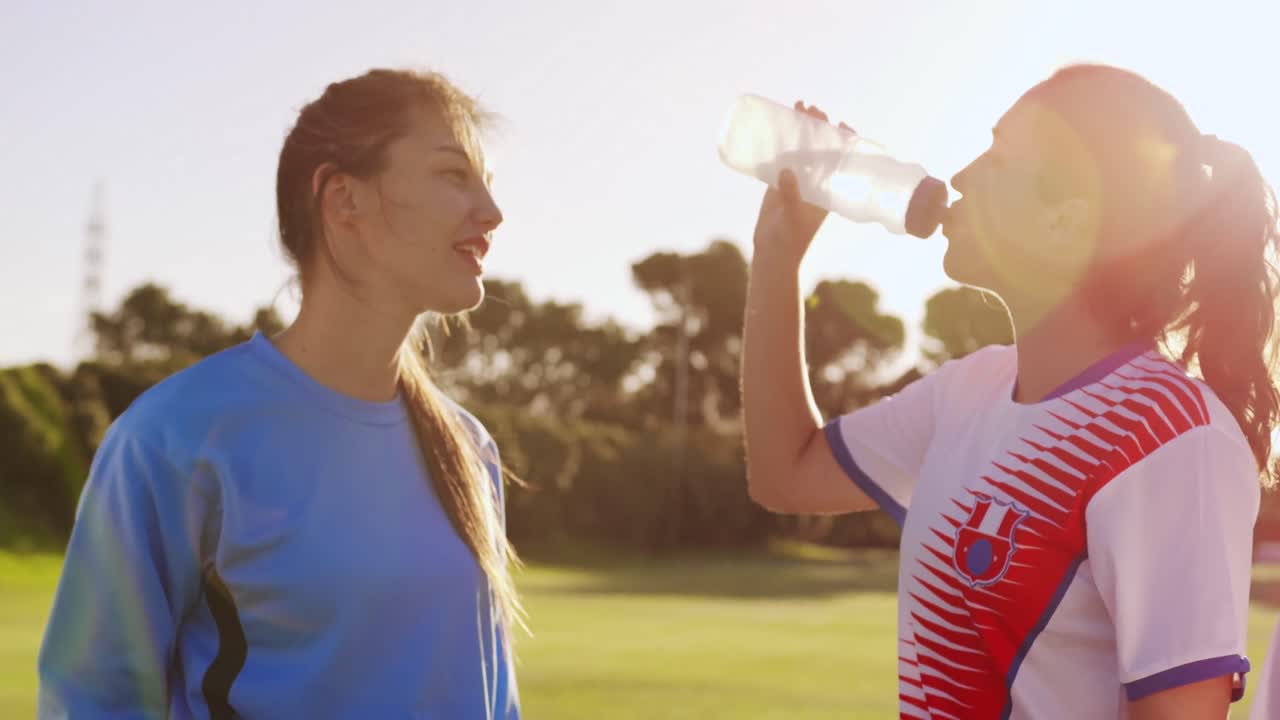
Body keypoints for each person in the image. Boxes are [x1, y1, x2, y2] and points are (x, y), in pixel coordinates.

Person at [742, 64, 1278, 719]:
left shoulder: (1169, 437)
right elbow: (786, 474)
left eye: (997, 157)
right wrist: (776, 254)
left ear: (1065, 220)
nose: (961, 178)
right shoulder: (970, 389)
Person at [37, 68, 521, 718]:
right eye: (452, 174)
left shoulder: (469, 448)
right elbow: (94, 701)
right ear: (342, 197)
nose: (490, 213)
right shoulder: (176, 437)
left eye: (487, 182)